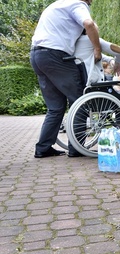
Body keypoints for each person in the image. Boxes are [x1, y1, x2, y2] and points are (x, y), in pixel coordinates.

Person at [30, 0, 101, 158]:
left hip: (37, 55)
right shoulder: (77, 4)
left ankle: (43, 147)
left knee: (55, 107)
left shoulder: (57, 4)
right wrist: (97, 48)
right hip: (55, 55)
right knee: (79, 100)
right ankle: (77, 148)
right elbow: (89, 24)